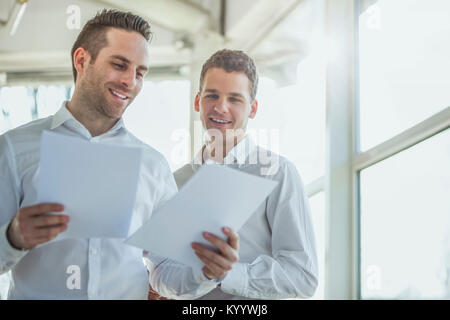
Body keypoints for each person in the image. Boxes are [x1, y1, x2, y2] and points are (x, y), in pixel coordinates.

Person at [0, 10, 238, 299]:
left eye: (140, 72)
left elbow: (164, 269)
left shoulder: (153, 165)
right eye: (119, 65)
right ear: (81, 60)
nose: (130, 81)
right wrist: (13, 238)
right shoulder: (14, 149)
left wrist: (207, 271)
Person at [150, 49, 318, 299]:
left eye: (235, 99)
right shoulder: (174, 182)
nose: (221, 107)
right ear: (198, 101)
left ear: (253, 108)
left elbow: (302, 277)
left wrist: (227, 273)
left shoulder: (278, 173)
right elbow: (161, 271)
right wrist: (195, 276)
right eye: (212, 95)